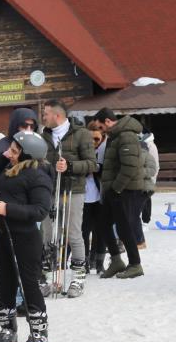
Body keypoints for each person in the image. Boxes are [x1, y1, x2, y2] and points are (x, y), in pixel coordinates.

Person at [0, 131, 53, 342]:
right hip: (3, 234)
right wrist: (3, 157)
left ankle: (39, 332)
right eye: (10, 149)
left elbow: (40, 210)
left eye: (13, 150)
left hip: (25, 237)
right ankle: (8, 328)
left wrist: (7, 209)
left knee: (28, 284)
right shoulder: (7, 171)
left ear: (26, 155)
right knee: (6, 282)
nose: (8, 153)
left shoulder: (38, 176)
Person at [40, 100, 96, 297]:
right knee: (47, 234)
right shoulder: (43, 135)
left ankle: (78, 278)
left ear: (57, 115)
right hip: (48, 190)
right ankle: (47, 278)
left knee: (73, 234)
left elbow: (92, 164)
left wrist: (70, 166)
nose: (43, 117)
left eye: (46, 113)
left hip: (73, 189)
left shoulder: (81, 134)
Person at [95, 109, 147, 279]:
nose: (101, 131)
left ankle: (135, 264)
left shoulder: (126, 136)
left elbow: (130, 166)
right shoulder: (116, 136)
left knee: (124, 227)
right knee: (103, 224)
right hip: (115, 190)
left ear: (108, 121)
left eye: (101, 126)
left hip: (125, 190)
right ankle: (117, 261)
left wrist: (116, 188)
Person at [81, 121, 106, 271]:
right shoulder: (81, 152)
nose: (93, 142)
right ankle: (83, 262)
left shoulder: (104, 151)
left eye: (96, 139)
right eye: (89, 138)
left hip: (100, 196)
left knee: (100, 230)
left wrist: (95, 168)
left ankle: (98, 262)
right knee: (83, 231)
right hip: (83, 197)